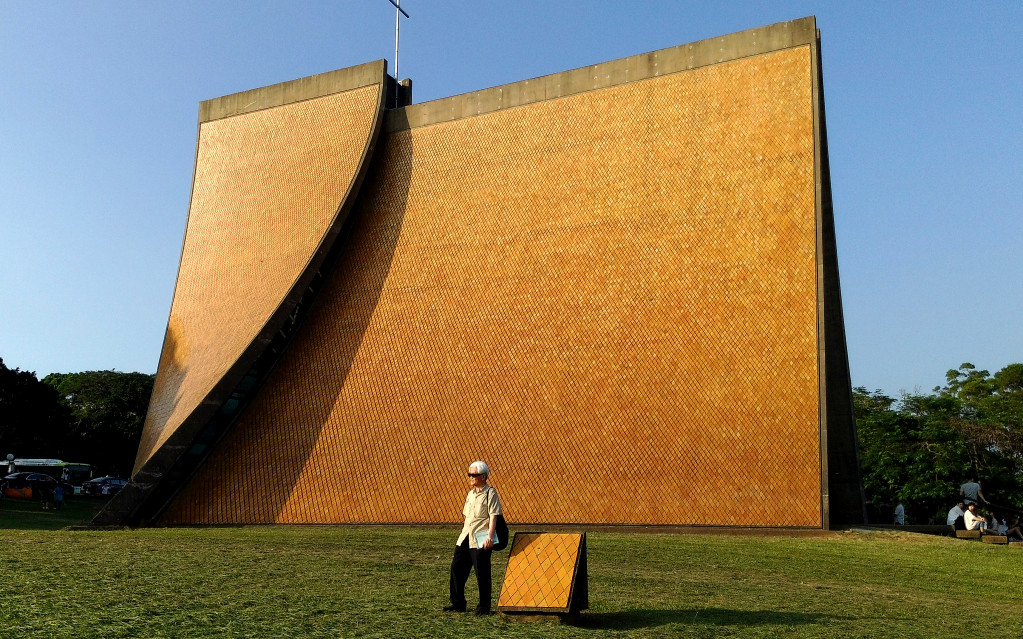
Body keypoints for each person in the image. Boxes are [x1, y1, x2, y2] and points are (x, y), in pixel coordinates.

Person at [445, 460, 502, 616]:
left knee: (482, 572)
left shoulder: (491, 493)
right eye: (469, 474)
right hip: (465, 536)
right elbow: (467, 516)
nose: (470, 477)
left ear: (483, 476)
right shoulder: (470, 494)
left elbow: (493, 516)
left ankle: (484, 607)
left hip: (481, 537)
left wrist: (490, 537)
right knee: (456, 568)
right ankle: (457, 603)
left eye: (474, 475)